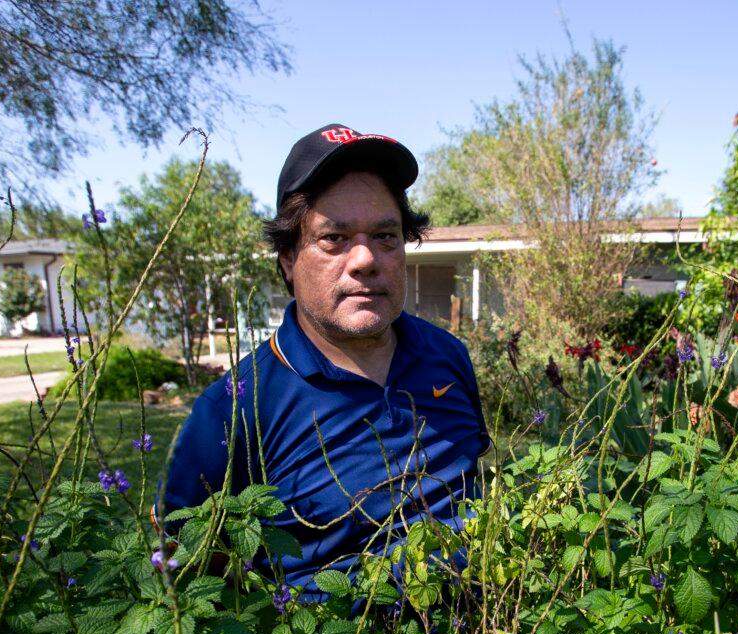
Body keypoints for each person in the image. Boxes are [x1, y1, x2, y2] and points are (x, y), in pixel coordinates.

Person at [158, 124, 491, 596]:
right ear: (289, 258)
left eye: (385, 235)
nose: (364, 259)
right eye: (334, 238)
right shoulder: (236, 406)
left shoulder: (448, 356)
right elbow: (183, 563)